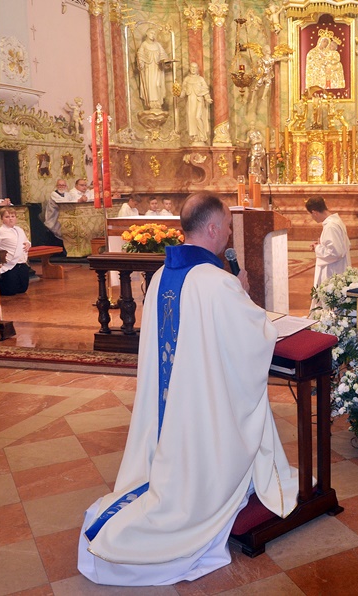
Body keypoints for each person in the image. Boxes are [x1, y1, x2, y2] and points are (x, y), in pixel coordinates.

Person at [77, 193, 299, 586]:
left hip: (172, 407)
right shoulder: (217, 283)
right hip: (199, 413)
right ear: (212, 228)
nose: (229, 233)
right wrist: (243, 293)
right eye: (227, 226)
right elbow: (253, 337)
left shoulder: (163, 275)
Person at [306, 196, 350, 308]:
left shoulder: (330, 226)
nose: (312, 217)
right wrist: (320, 245)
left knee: (329, 302)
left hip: (332, 270)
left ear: (314, 212)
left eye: (311, 214)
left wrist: (317, 248)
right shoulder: (336, 221)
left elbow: (335, 252)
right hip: (337, 267)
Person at [0, 207, 31, 296]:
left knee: (23, 289)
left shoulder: (19, 230)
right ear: (2, 218)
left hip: (22, 263)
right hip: (9, 265)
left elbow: (26, 241)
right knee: (10, 291)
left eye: (12, 216)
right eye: (7, 216)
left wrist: (28, 244)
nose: (10, 218)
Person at [137, 28, 170, 111]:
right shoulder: (144, 45)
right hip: (148, 70)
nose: (153, 35)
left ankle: (158, 102)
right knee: (150, 86)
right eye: (151, 33)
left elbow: (163, 55)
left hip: (158, 69)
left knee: (157, 85)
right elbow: (140, 55)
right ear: (147, 33)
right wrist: (141, 63)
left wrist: (166, 62)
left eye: (154, 33)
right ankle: (151, 103)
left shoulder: (158, 45)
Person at [182, 62, 212, 144]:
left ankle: (202, 136)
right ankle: (194, 136)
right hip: (190, 101)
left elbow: (205, 90)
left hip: (199, 101)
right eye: (192, 67)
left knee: (198, 117)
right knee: (191, 118)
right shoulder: (186, 79)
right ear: (189, 68)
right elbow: (183, 93)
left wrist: (207, 98)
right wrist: (177, 92)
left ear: (197, 69)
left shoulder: (200, 79)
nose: (193, 69)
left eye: (195, 67)